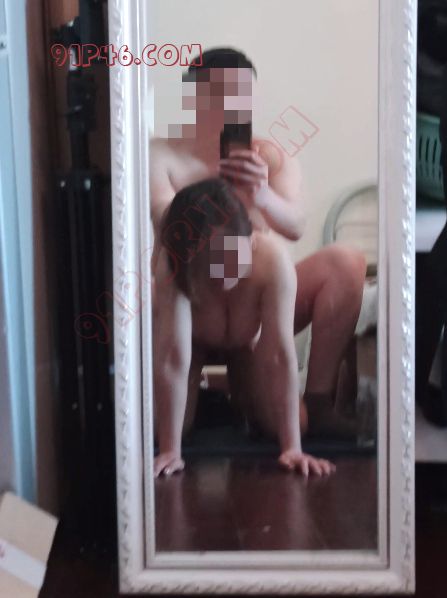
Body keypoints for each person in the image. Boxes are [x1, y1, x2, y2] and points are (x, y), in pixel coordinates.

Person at [150, 47, 366, 468]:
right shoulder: (161, 154)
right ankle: (210, 395)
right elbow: (167, 222)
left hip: (252, 306)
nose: (237, 106)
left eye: (244, 95)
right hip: (195, 304)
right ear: (196, 98)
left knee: (346, 262)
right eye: (223, 95)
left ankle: (317, 400)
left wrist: (262, 194)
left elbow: (296, 225)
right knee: (168, 430)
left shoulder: (267, 154)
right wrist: (220, 193)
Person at [153, 177, 336, 478]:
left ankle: (238, 394)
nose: (221, 271)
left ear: (251, 239)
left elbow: (278, 354)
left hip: (246, 343)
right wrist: (170, 450)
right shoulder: (173, 266)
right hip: (193, 344)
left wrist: (292, 447)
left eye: (230, 257)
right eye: (209, 261)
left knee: (289, 426)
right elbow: (173, 357)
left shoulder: (273, 262)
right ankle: (206, 399)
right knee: (163, 429)